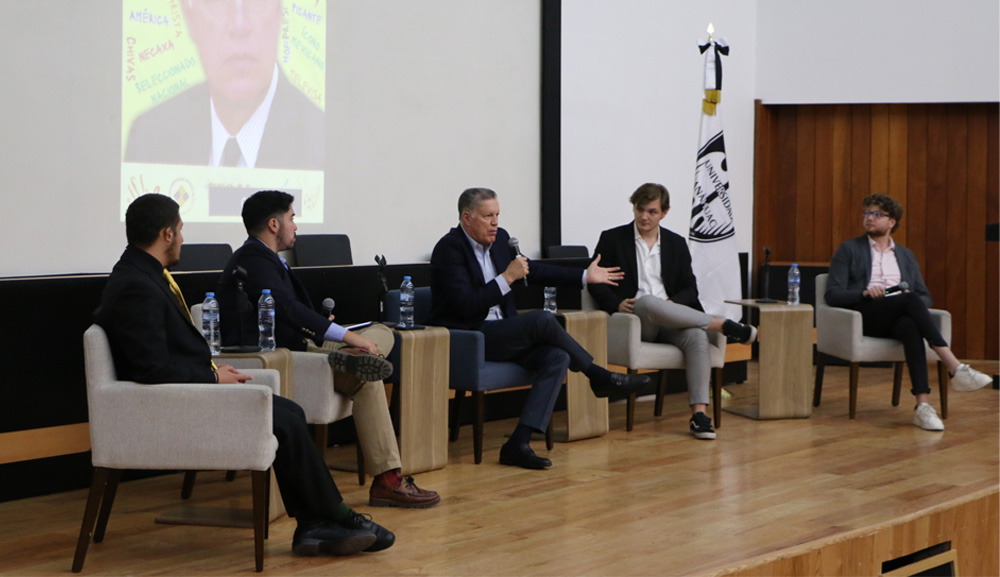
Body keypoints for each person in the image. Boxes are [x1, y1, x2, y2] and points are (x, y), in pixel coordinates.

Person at [94, 194, 393, 556]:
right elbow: (150, 368)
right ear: (167, 233)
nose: (184, 239)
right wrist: (211, 378)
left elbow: (159, 355)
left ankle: (315, 524)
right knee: (284, 418)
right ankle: (334, 516)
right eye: (182, 231)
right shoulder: (136, 287)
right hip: (168, 406)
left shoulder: (142, 274)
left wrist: (212, 369)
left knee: (290, 414)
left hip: (182, 390)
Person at [218, 190, 440, 508]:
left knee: (384, 332)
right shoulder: (252, 259)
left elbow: (292, 311)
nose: (296, 226)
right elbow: (285, 309)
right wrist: (346, 337)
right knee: (366, 372)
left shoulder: (267, 259)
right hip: (282, 357)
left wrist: (334, 328)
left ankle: (353, 358)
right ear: (273, 223)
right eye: (292, 218)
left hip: (304, 344)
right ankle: (387, 480)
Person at [426, 187, 653, 470]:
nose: (495, 222)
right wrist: (507, 277)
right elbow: (465, 307)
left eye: (497, 214)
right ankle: (597, 374)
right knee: (542, 320)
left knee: (557, 357)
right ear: (467, 217)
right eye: (488, 216)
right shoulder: (449, 249)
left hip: (501, 332)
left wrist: (585, 275)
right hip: (470, 337)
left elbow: (534, 270)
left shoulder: (500, 241)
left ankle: (518, 443)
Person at [588, 183, 758, 440]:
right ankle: (722, 324)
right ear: (634, 208)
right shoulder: (612, 239)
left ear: (664, 213)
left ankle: (699, 415)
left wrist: (671, 306)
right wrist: (615, 304)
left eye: (652, 211)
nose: (644, 216)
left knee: (697, 337)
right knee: (646, 302)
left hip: (672, 320)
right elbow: (595, 283)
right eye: (640, 209)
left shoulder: (676, 244)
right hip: (636, 321)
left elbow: (690, 289)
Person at [826, 193, 992, 431]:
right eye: (866, 213)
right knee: (910, 299)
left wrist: (907, 301)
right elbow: (832, 294)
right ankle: (955, 367)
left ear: (892, 222)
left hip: (899, 315)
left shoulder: (905, 255)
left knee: (910, 324)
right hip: (865, 316)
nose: (869, 218)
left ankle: (922, 406)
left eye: (876, 214)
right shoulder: (848, 249)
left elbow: (925, 296)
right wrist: (864, 292)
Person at [124, 0, 323, 170]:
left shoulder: (323, 141)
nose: (239, 25)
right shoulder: (149, 139)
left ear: (279, 12)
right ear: (190, 18)